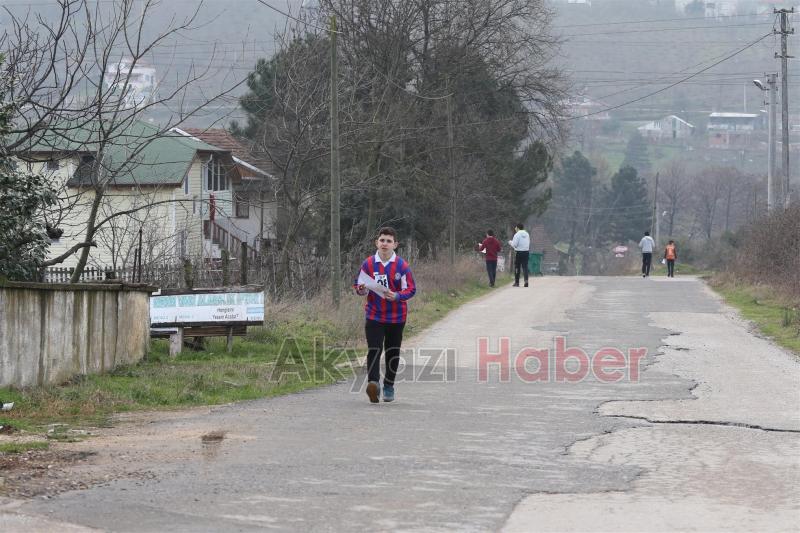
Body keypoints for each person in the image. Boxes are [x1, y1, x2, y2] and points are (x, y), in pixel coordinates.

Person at [354, 227, 416, 404]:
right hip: (374, 314)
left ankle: (389, 385)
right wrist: (361, 289)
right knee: (374, 349)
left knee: (392, 351)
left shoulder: (402, 266)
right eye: (382, 240)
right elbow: (358, 285)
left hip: (396, 317)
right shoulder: (368, 264)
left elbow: (411, 289)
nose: (385, 244)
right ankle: (373, 383)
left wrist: (398, 296)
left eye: (389, 241)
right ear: (377, 243)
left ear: (395, 245)